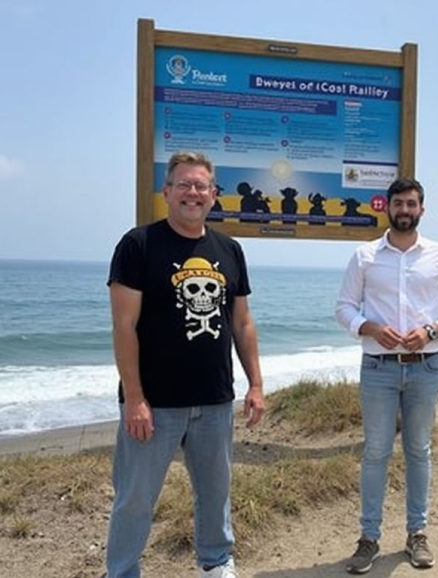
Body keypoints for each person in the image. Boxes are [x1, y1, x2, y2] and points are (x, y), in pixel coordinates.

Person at [105, 151, 265, 578]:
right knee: (135, 498)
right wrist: (135, 399)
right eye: (184, 184)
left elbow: (242, 321)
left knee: (215, 494)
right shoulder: (138, 245)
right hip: (153, 405)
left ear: (213, 194)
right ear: (167, 191)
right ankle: (122, 571)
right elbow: (124, 326)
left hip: (214, 401)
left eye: (201, 186)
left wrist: (255, 385)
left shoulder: (229, 249)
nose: (193, 193)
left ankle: (215, 564)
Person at [334, 177, 438, 574]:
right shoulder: (364, 257)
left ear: (421, 210)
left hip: (426, 367)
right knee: (375, 453)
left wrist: (432, 331)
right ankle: (369, 539)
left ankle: (417, 534)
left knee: (418, 451)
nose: (405, 210)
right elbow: (343, 308)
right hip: (377, 367)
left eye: (412, 204)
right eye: (399, 204)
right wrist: (371, 328)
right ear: (387, 208)